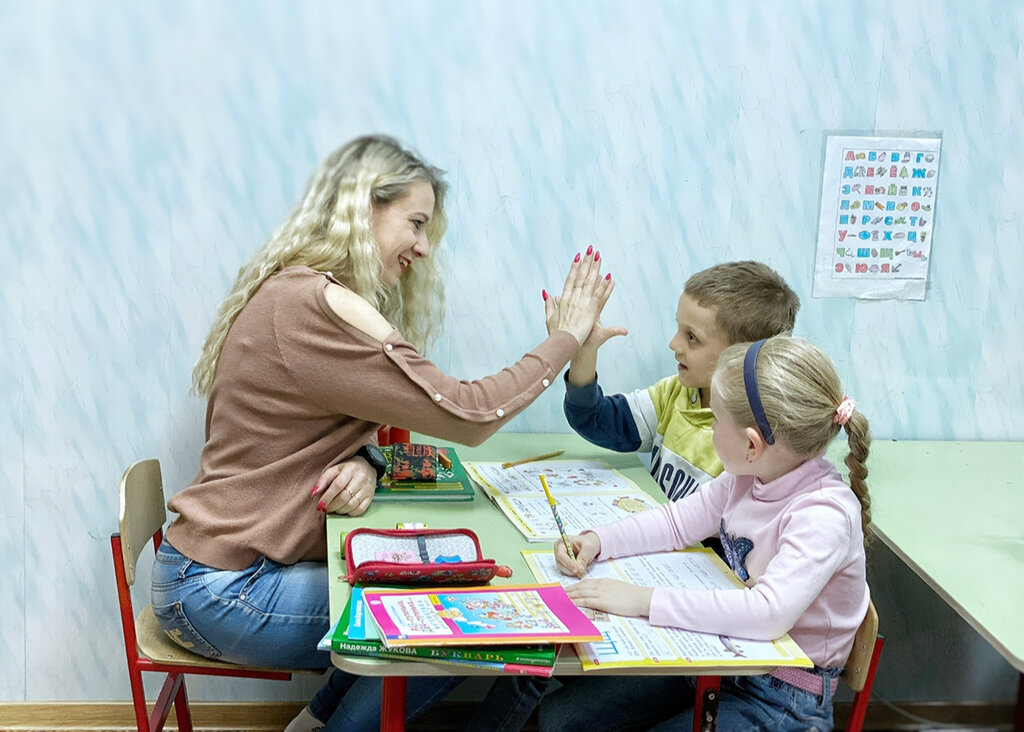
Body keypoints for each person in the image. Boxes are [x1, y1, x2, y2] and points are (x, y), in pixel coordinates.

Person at [149, 134, 615, 732]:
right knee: (458, 621)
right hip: (221, 589)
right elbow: (470, 415)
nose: (423, 247)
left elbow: (324, 430)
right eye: (416, 223)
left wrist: (367, 459)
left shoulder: (299, 291)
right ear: (364, 207)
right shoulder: (317, 306)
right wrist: (566, 339)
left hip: (215, 573)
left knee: (420, 592)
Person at [538, 335, 872, 731]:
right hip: (723, 660)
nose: (710, 428)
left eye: (715, 421)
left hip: (782, 700)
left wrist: (643, 600)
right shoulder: (748, 476)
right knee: (560, 718)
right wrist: (597, 541)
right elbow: (676, 523)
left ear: (751, 444)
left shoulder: (824, 515)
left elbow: (767, 615)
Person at [564, 260, 799, 501]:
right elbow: (592, 418)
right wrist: (585, 352)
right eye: (679, 329)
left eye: (692, 337)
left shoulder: (757, 443)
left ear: (741, 356)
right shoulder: (674, 394)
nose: (674, 344)